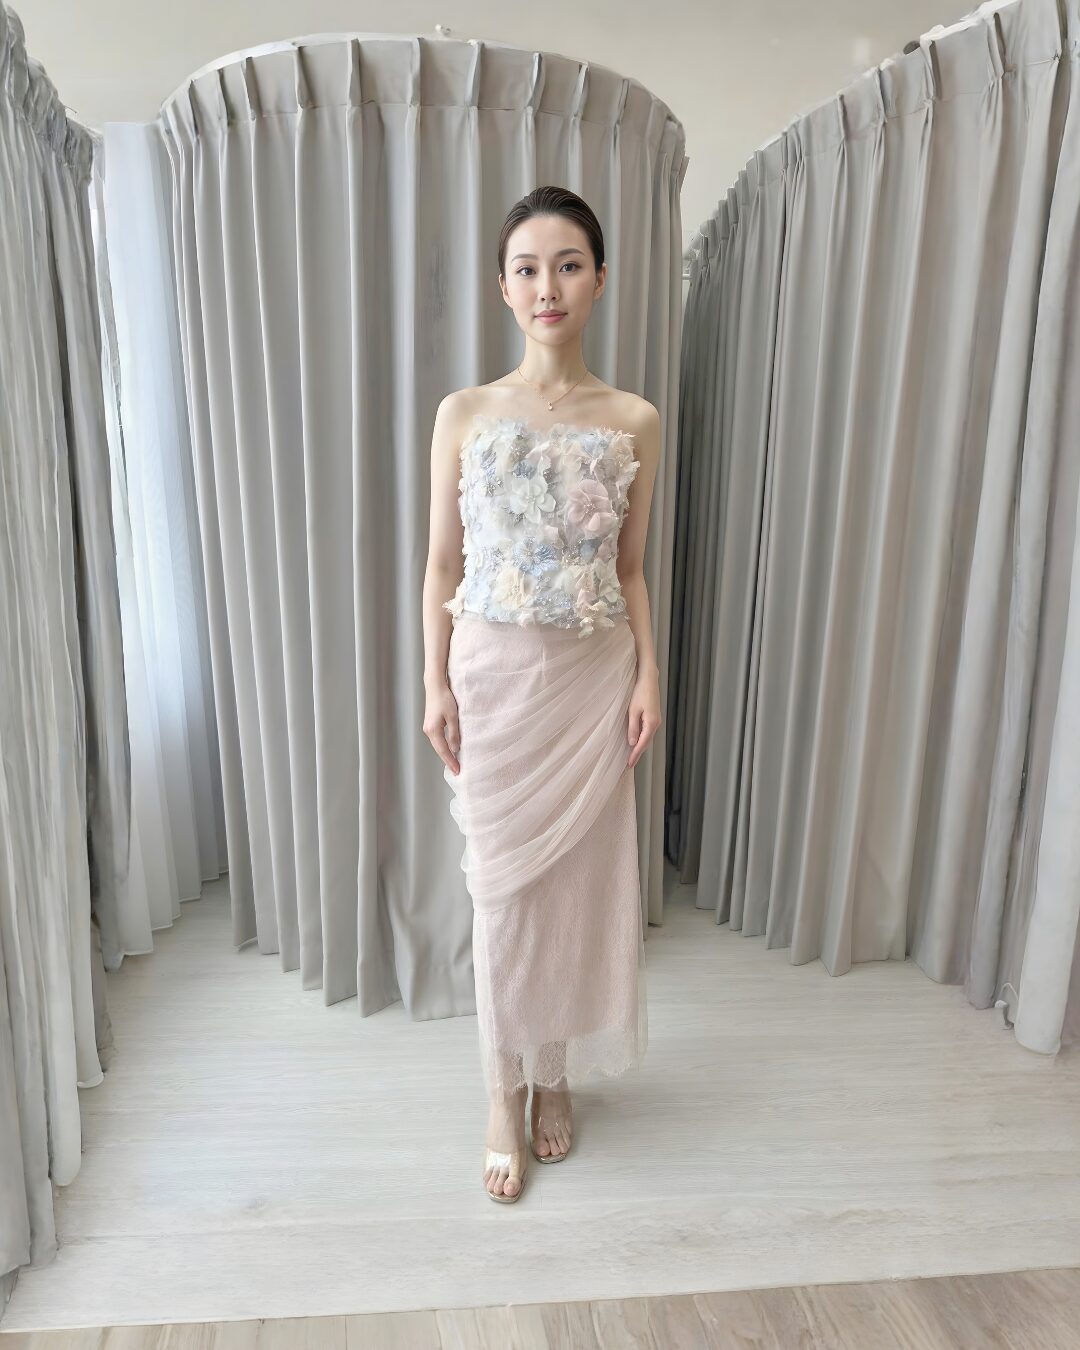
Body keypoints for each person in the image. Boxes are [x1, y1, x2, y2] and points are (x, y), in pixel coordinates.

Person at [422, 185, 661, 1203]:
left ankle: (553, 1074)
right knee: (505, 897)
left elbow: (632, 568)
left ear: (599, 280)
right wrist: (432, 680)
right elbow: (442, 565)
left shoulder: (634, 418)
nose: (547, 285)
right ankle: (500, 1090)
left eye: (568, 264)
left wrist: (651, 673)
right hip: (493, 680)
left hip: (592, 681)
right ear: (504, 287)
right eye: (527, 267)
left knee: (574, 892)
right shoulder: (465, 413)